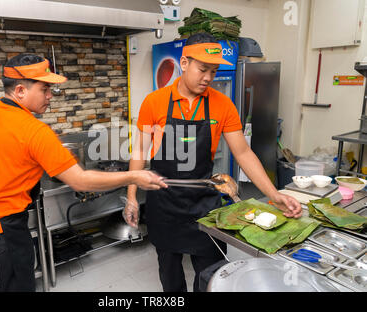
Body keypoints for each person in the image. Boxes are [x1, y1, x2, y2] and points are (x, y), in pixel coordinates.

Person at [0, 53, 167, 292]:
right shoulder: (34, 131)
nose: (50, 96)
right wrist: (133, 176)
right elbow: (80, 181)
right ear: (20, 90)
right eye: (45, 89)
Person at [123, 33, 302, 292]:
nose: (208, 77)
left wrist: (274, 194)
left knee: (212, 273)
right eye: (202, 69)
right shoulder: (155, 102)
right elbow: (139, 151)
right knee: (170, 276)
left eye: (214, 71)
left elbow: (243, 153)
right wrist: (131, 196)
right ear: (184, 63)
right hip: (164, 205)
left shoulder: (223, 105)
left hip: (203, 204)